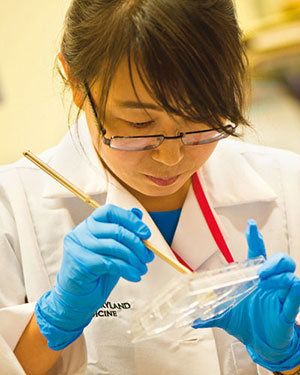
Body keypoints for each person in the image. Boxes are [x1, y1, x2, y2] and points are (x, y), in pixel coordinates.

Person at [0, 0, 300, 374]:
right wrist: (53, 323)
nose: (172, 157)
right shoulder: (11, 208)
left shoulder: (290, 184)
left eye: (201, 118)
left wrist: (288, 356)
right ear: (77, 84)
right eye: (139, 124)